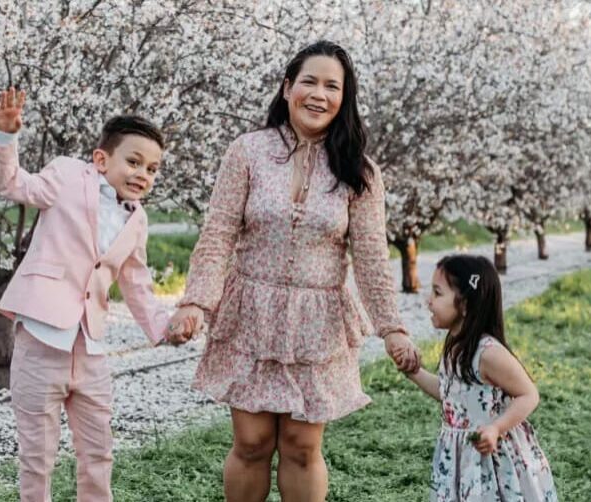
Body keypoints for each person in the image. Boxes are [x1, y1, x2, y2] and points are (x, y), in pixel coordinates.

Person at [166, 41, 420, 502]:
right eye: (309, 81)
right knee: (252, 442)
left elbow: (369, 257)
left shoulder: (359, 172)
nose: (318, 94)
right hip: (250, 315)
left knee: (303, 446)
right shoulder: (248, 152)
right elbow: (218, 233)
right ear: (287, 88)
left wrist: (392, 327)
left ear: (344, 98)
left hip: (317, 321)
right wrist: (196, 302)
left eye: (332, 86)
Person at [0, 87, 193, 501]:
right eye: (133, 162)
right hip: (42, 338)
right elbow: (11, 184)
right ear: (101, 159)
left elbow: (136, 284)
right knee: (37, 456)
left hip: (91, 349)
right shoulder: (65, 176)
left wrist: (166, 328)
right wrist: (5, 139)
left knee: (98, 451)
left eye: (152, 169)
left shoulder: (138, 219)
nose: (143, 175)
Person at [399, 254, 557, 501]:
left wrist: (496, 428)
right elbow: (450, 395)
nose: (428, 302)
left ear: (465, 305)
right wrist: (414, 372)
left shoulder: (488, 352)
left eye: (438, 293)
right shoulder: (456, 346)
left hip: (492, 457)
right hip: (461, 455)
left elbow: (529, 394)